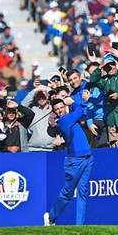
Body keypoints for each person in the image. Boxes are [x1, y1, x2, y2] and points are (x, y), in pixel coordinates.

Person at [43, 95, 93, 226]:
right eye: (57, 109)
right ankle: (51, 218)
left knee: (83, 193)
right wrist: (72, 102)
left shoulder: (70, 118)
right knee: (67, 193)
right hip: (74, 161)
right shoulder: (63, 121)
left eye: (61, 107)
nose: (60, 110)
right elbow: (80, 110)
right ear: (55, 112)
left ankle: (79, 226)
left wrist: (71, 104)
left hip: (87, 158)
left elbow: (82, 111)